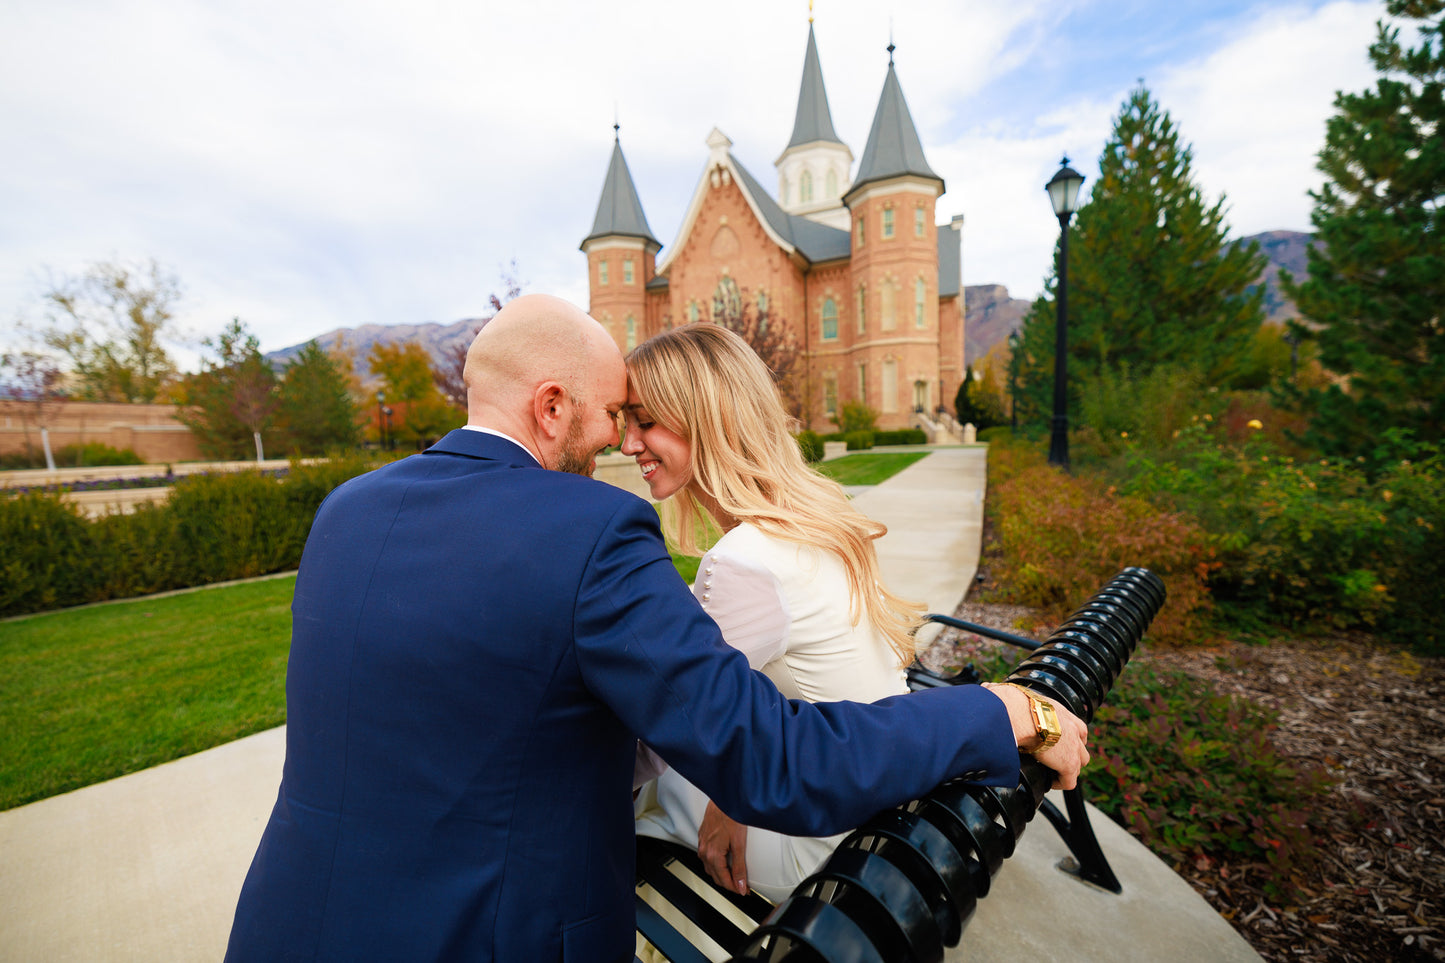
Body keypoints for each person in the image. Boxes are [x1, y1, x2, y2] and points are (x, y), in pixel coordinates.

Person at [223, 295, 1089, 963]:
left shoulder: (344, 510)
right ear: (553, 406)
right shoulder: (588, 530)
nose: (615, 441)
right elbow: (775, 759)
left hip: (290, 919)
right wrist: (1004, 711)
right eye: (610, 414)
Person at [626, 323, 918, 903]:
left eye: (646, 420)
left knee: (636, 782)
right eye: (623, 422)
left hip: (814, 843)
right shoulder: (812, 519)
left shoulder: (746, 560)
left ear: (706, 418)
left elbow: (663, 734)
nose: (627, 443)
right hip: (874, 802)